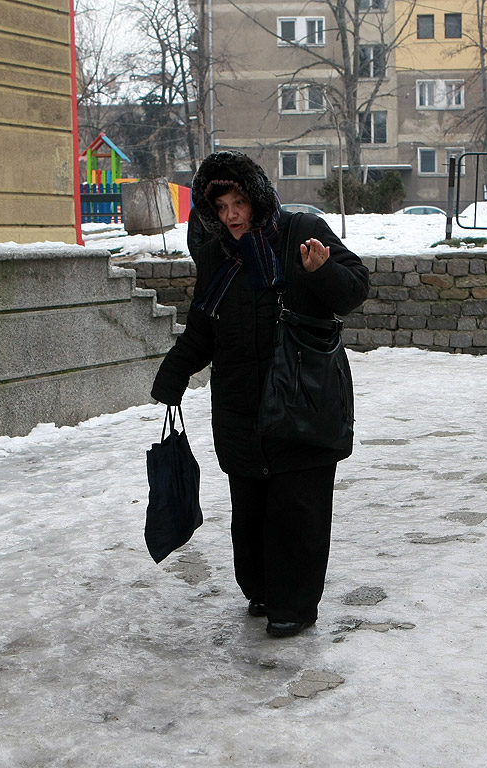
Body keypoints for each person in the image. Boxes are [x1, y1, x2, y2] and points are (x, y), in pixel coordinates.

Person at [151, 151, 369, 638]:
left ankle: (293, 604)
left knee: (298, 505)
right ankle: (262, 590)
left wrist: (321, 271)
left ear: (258, 199)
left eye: (239, 202)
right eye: (222, 205)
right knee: (250, 505)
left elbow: (353, 291)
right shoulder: (215, 255)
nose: (231, 215)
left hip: (302, 394)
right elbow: (203, 329)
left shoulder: (299, 232)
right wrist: (174, 374)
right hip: (240, 403)